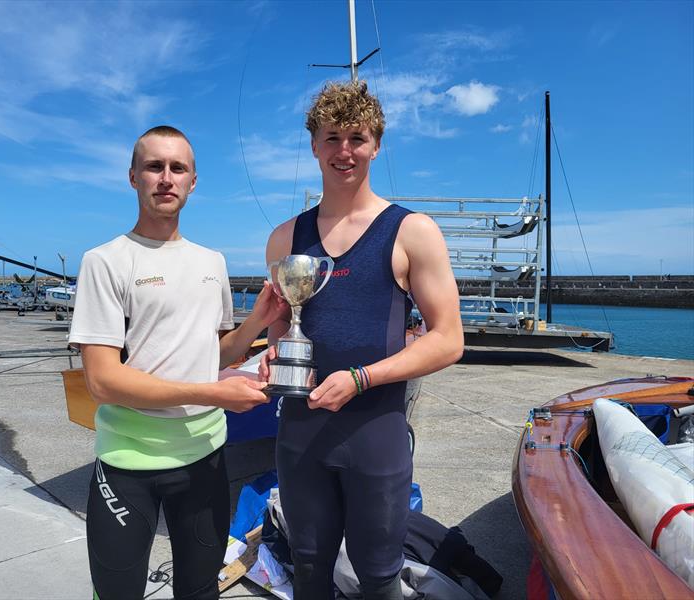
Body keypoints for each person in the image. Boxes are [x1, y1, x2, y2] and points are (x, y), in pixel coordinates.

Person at [261, 81, 464, 600]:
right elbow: (283, 324)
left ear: (377, 144)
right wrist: (274, 352)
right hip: (300, 434)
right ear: (313, 146)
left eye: (357, 137)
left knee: (377, 577)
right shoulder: (286, 238)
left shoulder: (412, 231)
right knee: (307, 570)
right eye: (331, 138)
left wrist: (362, 378)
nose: (344, 151)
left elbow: (448, 340)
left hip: (375, 433)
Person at [68, 125, 287, 600]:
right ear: (133, 177)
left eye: (177, 168)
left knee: (199, 590)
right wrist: (214, 394)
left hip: (204, 459)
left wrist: (255, 326)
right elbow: (103, 381)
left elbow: (214, 355)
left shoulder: (212, 262)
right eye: (154, 166)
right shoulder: (105, 261)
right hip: (128, 464)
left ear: (192, 181)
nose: (166, 178)